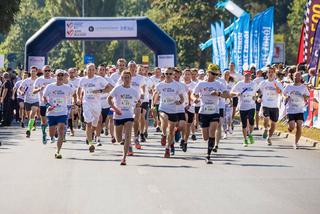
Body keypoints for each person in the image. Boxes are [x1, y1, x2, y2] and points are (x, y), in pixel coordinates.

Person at [193, 64, 227, 164]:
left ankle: (208, 155)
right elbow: (193, 93)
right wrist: (195, 98)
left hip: (214, 112)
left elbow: (228, 95)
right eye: (212, 73)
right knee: (205, 137)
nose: (214, 75)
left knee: (212, 132)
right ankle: (209, 149)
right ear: (208, 72)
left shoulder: (219, 84)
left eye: (216, 74)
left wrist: (219, 94)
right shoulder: (201, 84)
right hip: (203, 112)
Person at [77, 63, 113, 152]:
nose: (91, 71)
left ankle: (91, 133)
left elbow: (109, 88)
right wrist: (78, 98)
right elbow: (79, 89)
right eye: (89, 69)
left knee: (95, 124)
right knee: (88, 123)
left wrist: (100, 91)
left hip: (97, 104)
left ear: (95, 70)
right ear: (86, 70)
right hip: (86, 103)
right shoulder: (82, 80)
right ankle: (90, 143)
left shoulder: (99, 79)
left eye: (93, 69)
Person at [108, 70, 139, 165]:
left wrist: (137, 106)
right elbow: (109, 99)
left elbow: (138, 102)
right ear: (121, 78)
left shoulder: (134, 91)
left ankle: (124, 158)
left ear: (131, 79)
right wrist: (115, 108)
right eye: (124, 77)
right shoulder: (117, 89)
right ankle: (125, 141)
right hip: (118, 115)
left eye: (128, 78)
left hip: (129, 115)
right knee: (119, 139)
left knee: (128, 135)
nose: (126, 79)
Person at [153, 67, 184, 158]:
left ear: (173, 75)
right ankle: (163, 134)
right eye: (166, 74)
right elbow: (155, 95)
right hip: (163, 107)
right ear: (164, 74)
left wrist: (180, 102)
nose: (168, 75)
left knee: (171, 131)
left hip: (173, 110)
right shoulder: (160, 85)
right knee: (164, 118)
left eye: (170, 74)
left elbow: (182, 98)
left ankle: (167, 148)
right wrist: (153, 105)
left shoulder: (177, 85)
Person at [43, 69, 73, 159]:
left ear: (64, 77)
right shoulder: (49, 87)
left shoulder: (67, 87)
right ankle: (52, 136)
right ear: (54, 76)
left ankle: (58, 151)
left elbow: (73, 96)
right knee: (52, 133)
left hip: (62, 112)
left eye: (61, 75)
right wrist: (48, 105)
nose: (60, 77)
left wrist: (75, 103)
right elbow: (44, 97)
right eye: (58, 75)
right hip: (51, 113)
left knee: (61, 130)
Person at [231, 70, 259, 146]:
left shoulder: (253, 84)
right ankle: (245, 139)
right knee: (244, 124)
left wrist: (256, 96)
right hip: (242, 106)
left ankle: (249, 134)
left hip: (251, 105)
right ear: (244, 76)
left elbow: (258, 92)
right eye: (246, 75)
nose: (247, 77)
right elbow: (231, 92)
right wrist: (236, 93)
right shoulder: (240, 84)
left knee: (251, 120)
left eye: (249, 75)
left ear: (251, 76)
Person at [258, 67, 284, 145]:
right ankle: (266, 129)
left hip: (274, 106)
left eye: (272, 72)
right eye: (269, 72)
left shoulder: (278, 83)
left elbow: (280, 92)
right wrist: (259, 98)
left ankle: (269, 138)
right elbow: (258, 91)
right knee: (266, 119)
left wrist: (276, 87)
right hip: (265, 104)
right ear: (267, 74)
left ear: (274, 74)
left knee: (273, 124)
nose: (270, 73)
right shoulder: (263, 83)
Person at [283, 71, 309, 149]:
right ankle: (290, 128)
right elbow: (283, 94)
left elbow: (308, 96)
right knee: (292, 126)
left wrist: (305, 97)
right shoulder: (289, 86)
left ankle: (295, 143)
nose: (296, 78)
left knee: (299, 125)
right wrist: (286, 98)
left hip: (300, 109)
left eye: (298, 76)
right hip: (290, 109)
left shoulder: (303, 87)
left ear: (301, 78)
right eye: (295, 76)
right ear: (293, 77)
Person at [33, 65, 55, 144]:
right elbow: (33, 91)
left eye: (49, 70)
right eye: (45, 71)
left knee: (52, 120)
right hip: (43, 103)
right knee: (44, 121)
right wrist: (40, 89)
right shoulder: (39, 80)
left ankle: (52, 135)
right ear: (42, 71)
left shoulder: (53, 80)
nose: (47, 72)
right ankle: (44, 134)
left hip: (52, 104)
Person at [18, 66, 39, 138]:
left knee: (32, 113)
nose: (33, 72)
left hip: (36, 100)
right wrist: (21, 92)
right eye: (32, 71)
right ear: (30, 72)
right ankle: (33, 124)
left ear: (36, 72)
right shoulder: (26, 81)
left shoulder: (39, 80)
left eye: (34, 71)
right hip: (27, 100)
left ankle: (28, 130)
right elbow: (20, 89)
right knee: (29, 116)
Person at [182, 69, 197, 150]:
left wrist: (191, 102)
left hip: (191, 107)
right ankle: (181, 138)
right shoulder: (180, 84)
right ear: (183, 75)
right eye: (185, 74)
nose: (187, 76)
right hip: (180, 107)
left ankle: (185, 141)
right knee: (182, 124)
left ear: (191, 76)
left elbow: (194, 94)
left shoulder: (194, 85)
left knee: (187, 126)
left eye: (188, 74)